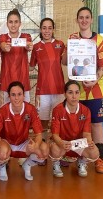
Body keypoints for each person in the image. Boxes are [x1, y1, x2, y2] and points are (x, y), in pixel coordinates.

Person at [65, 6, 103, 173]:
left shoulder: (101, 42)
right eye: (81, 17)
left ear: (91, 20)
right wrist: (69, 48)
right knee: (75, 125)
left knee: (96, 125)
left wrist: (95, 79)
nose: (84, 20)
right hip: (76, 90)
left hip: (95, 90)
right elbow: (64, 62)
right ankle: (75, 155)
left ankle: (99, 158)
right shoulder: (72, 38)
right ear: (77, 20)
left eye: (87, 17)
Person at [0, 81, 49, 181]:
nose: (16, 98)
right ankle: (2, 167)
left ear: (23, 95)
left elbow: (39, 133)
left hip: (23, 143)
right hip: (7, 143)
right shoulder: (2, 111)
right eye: (13, 95)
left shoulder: (30, 109)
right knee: (2, 152)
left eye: (19, 94)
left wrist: (36, 144)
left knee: (44, 150)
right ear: (9, 96)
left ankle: (27, 165)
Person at [49, 80, 99, 177]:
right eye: (70, 92)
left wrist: (89, 142)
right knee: (54, 149)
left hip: (78, 143)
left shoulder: (86, 110)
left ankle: (81, 162)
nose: (74, 96)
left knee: (94, 153)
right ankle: (56, 164)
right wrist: (61, 143)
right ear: (65, 94)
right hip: (63, 142)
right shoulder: (58, 110)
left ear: (79, 94)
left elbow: (87, 134)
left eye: (77, 92)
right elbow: (55, 135)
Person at [29, 18, 66, 146]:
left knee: (59, 120)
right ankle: (43, 149)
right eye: (44, 28)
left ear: (53, 30)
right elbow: (30, 67)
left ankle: (60, 150)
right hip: (42, 91)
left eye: (50, 28)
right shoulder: (36, 47)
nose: (47, 31)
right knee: (43, 122)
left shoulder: (60, 45)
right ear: (40, 29)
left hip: (59, 89)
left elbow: (66, 62)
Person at [0, 9, 33, 106]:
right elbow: (3, 45)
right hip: (7, 81)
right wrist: (5, 47)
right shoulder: (3, 37)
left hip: (23, 81)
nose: (13, 25)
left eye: (16, 22)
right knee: (7, 112)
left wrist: (28, 46)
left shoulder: (26, 36)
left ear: (20, 23)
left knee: (25, 111)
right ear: (7, 24)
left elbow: (28, 44)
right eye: (10, 22)